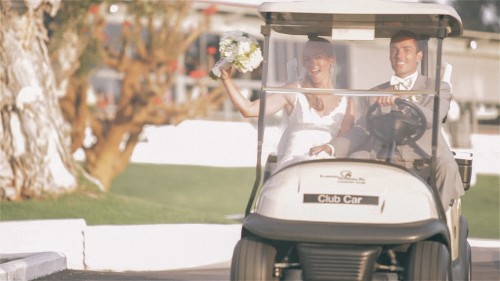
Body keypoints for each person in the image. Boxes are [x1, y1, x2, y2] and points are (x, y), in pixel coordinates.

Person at [319, 30, 464, 209]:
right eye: (394, 50)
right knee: (357, 158)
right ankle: (357, 219)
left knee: (446, 164)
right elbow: (362, 129)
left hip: (423, 160)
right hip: (386, 157)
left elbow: (433, 118)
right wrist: (331, 147)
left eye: (406, 49)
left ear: (419, 56)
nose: (399, 55)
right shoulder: (376, 93)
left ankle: (437, 221)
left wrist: (399, 100)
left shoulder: (437, 88)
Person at [220, 36, 355, 169]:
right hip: (293, 167)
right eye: (307, 59)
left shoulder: (347, 101)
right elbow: (249, 110)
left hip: (325, 169)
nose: (312, 64)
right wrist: (226, 79)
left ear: (332, 59)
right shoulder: (293, 91)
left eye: (318, 57)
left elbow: (343, 143)